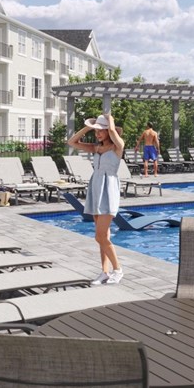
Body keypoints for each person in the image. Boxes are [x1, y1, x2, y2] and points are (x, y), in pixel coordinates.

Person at [68, 112, 126, 285]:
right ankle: (104, 272)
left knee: (100, 236)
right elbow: (72, 142)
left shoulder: (117, 147)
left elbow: (115, 134)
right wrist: (88, 127)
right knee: (103, 236)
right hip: (96, 187)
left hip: (109, 189)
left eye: (101, 130)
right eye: (96, 130)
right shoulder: (96, 148)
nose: (98, 133)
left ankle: (118, 270)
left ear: (109, 130)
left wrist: (111, 120)